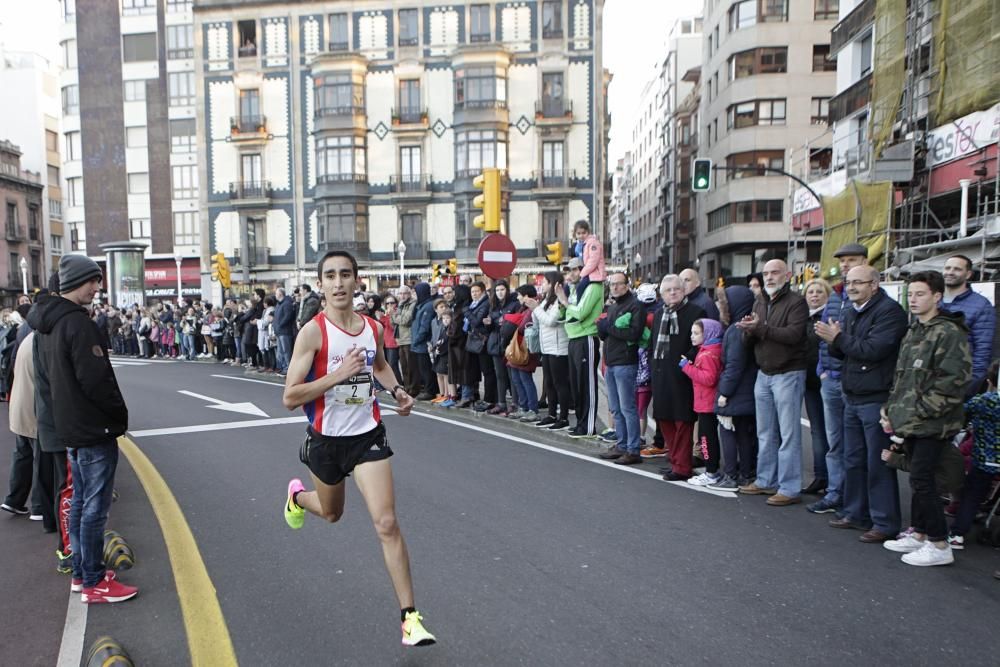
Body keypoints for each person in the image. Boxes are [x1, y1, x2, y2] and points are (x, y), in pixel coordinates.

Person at [281, 250, 436, 646]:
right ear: (321, 284)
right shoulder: (313, 332)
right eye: (330, 276)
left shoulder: (371, 326)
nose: (338, 283)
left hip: (368, 435)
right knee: (332, 514)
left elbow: (379, 364)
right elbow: (290, 397)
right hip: (326, 442)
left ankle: (410, 619)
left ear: (356, 281)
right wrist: (337, 376)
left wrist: (398, 390)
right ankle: (298, 498)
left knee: (386, 523)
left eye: (345, 275)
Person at [33, 255, 136, 603]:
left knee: (79, 503)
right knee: (94, 508)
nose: (97, 287)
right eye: (92, 280)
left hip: (70, 427)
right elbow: (97, 380)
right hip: (94, 430)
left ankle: (82, 571)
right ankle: (94, 581)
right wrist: (119, 416)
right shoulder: (77, 324)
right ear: (76, 281)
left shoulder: (47, 323)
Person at [881, 271, 971, 566]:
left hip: (934, 422)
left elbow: (953, 383)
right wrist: (891, 409)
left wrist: (918, 415)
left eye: (921, 294)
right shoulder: (914, 331)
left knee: (923, 479)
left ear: (937, 296)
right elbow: (902, 379)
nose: (914, 299)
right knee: (921, 479)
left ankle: (939, 543)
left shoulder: (948, 332)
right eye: (911, 294)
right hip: (911, 420)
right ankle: (919, 533)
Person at [816, 265, 908, 542]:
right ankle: (855, 512)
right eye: (849, 282)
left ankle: (884, 522)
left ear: (875, 285)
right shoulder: (850, 310)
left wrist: (839, 338)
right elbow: (844, 352)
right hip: (852, 394)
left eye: (858, 282)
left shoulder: (889, 312)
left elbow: (873, 350)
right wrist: (836, 341)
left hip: (875, 397)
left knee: (877, 462)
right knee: (853, 458)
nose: (852, 286)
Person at [736, 259, 809, 506]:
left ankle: (789, 487)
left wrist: (760, 328)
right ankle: (766, 480)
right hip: (764, 373)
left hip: (788, 373)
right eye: (766, 273)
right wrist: (747, 330)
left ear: (787, 275)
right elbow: (756, 336)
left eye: (775, 272)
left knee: (788, 435)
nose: (769, 277)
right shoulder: (760, 301)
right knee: (765, 433)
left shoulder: (796, 302)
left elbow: (794, 336)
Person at [809, 242, 869, 515]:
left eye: (852, 260)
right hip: (830, 378)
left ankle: (856, 499)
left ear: (866, 262)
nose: (845, 265)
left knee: (858, 446)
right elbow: (825, 337)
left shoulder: (873, 299)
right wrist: (822, 369)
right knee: (835, 442)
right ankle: (835, 493)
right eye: (843, 262)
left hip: (855, 380)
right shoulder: (835, 297)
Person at [648, 275, 705, 480]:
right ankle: (674, 461)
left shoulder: (696, 312)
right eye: (668, 290)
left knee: (683, 421)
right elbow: (652, 344)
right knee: (664, 419)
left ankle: (682, 467)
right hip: (660, 373)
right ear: (661, 294)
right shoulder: (658, 314)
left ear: (683, 291)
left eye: (677, 289)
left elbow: (700, 344)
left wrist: (686, 360)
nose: (672, 293)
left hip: (683, 375)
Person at [947, 361, 999, 551]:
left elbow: (962, 412)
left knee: (972, 495)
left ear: (989, 381)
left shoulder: (984, 400)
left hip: (985, 459)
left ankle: (958, 534)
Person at [712, 285, 759, 491]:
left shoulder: (734, 330)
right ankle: (745, 474)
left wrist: (724, 392)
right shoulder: (747, 326)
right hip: (748, 390)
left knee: (728, 431)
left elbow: (734, 366)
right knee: (743, 434)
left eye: (722, 303)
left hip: (735, 392)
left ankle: (731, 475)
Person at [596, 272, 645, 465]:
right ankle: (622, 444)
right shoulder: (614, 306)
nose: (615, 287)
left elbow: (634, 333)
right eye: (612, 284)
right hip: (612, 363)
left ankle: (633, 449)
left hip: (626, 363)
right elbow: (606, 334)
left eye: (619, 284)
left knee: (627, 408)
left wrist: (608, 327)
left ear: (627, 285)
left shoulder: (635, 305)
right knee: (616, 408)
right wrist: (603, 328)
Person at [557, 257, 604, 437]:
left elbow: (581, 313)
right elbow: (565, 314)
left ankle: (588, 426)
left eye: (576, 269)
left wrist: (565, 302)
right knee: (576, 385)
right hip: (573, 338)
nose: (572, 274)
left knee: (586, 385)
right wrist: (562, 301)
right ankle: (580, 423)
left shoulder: (593, 287)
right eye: (569, 271)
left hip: (586, 338)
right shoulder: (575, 288)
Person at [940, 254, 996, 394]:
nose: (950, 272)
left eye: (957, 269)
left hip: (959, 382)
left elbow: (983, 351)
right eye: (947, 268)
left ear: (968, 274)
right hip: (930, 380)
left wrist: (969, 387)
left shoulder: (981, 305)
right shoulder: (934, 300)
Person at [681, 318, 724, 485]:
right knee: (707, 436)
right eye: (692, 333)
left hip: (707, 403)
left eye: (696, 333)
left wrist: (687, 367)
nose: (692, 336)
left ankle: (711, 472)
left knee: (706, 438)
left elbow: (709, 378)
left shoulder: (708, 353)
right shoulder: (709, 349)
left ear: (708, 334)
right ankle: (711, 470)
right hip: (706, 401)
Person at [526, 271, 571, 431]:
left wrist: (536, 308)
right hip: (547, 348)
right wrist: (535, 309)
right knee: (549, 383)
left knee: (560, 384)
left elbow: (551, 321)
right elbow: (539, 321)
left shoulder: (560, 300)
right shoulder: (545, 300)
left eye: (545, 282)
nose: (542, 285)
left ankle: (563, 417)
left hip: (559, 349)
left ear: (553, 284)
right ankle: (551, 414)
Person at [802, 278, 832, 495]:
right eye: (810, 291)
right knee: (817, 431)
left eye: (819, 291)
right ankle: (820, 476)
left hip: (827, 380)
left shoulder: (831, 317)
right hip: (809, 383)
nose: (814, 295)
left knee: (832, 432)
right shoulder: (803, 318)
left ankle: (833, 480)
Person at [503, 285, 542, 421]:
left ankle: (532, 409)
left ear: (526, 296)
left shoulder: (533, 308)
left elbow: (522, 326)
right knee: (517, 379)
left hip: (526, 348)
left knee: (525, 379)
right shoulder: (524, 308)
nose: (518, 297)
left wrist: (510, 321)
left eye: (519, 295)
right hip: (518, 347)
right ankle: (523, 407)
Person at [485, 281, 518, 415]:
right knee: (500, 375)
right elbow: (491, 326)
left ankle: (515, 403)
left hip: (509, 343)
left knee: (512, 375)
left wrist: (503, 321)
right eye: (497, 290)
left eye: (502, 289)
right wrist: (488, 323)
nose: (500, 292)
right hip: (495, 343)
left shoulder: (514, 303)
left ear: (507, 290)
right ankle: (501, 403)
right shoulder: (493, 305)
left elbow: (516, 321)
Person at [463, 281, 495, 410]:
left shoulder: (485, 303)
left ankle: (489, 398)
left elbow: (476, 321)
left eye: (476, 291)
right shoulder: (474, 304)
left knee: (488, 371)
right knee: (481, 370)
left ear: (482, 291)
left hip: (483, 340)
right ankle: (486, 397)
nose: (474, 294)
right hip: (475, 340)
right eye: (472, 292)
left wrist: (467, 312)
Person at [409, 283, 435, 400]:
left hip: (423, 343)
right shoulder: (420, 305)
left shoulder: (428, 306)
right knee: (421, 368)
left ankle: (430, 391)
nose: (413, 294)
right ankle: (426, 388)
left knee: (426, 368)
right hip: (417, 343)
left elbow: (424, 327)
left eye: (415, 292)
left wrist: (417, 339)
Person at [571, 219, 606, 300]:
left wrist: (582, 274)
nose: (581, 235)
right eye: (578, 233)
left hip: (594, 274)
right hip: (589, 273)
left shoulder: (593, 243)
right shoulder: (581, 245)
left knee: (580, 288)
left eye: (584, 233)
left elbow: (593, 261)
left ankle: (579, 307)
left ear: (588, 232)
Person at [391, 285, 416, 396]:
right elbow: (393, 322)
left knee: (411, 366)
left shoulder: (412, 303)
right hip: (400, 339)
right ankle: (406, 387)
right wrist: (395, 317)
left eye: (404, 293)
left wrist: (394, 316)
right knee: (404, 366)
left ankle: (413, 388)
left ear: (409, 293)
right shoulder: (400, 305)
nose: (402, 296)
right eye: (400, 294)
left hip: (409, 338)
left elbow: (405, 320)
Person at [274, 287, 296, 374]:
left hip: (285, 331)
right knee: (281, 351)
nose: (275, 295)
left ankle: (288, 368)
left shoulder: (286, 303)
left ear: (280, 294)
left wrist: (280, 325)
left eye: (276, 293)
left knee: (286, 351)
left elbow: (288, 316)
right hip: (279, 331)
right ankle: (283, 367)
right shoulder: (279, 304)